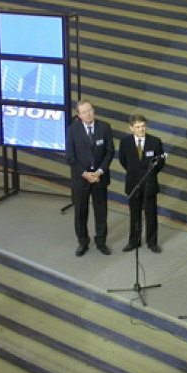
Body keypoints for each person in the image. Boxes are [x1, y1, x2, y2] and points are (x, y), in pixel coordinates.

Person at [66, 99, 114, 256]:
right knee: (80, 212)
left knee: (101, 212)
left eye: (90, 110)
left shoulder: (104, 127)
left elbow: (109, 152)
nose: (88, 114)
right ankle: (83, 242)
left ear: (94, 111)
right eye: (84, 112)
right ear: (79, 115)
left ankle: (101, 242)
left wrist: (99, 171)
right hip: (81, 180)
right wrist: (84, 174)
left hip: (100, 178)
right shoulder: (72, 130)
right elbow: (70, 157)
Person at [118, 114, 165, 253]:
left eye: (143, 126)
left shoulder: (155, 142)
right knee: (134, 215)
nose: (141, 129)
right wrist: (135, 173)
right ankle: (134, 241)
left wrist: (149, 175)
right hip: (133, 184)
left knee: (151, 215)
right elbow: (123, 161)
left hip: (150, 184)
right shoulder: (125, 142)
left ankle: (152, 242)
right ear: (131, 128)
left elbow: (160, 163)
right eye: (138, 127)